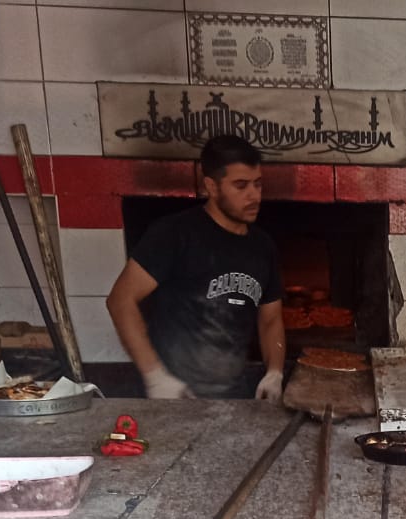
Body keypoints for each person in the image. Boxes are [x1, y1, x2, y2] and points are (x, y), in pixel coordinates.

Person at [106, 135, 286, 401]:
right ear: (212, 186)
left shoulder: (263, 246)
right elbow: (120, 300)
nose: (254, 195)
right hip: (176, 396)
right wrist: (155, 377)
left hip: (235, 395)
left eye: (257, 184)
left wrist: (275, 372)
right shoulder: (174, 234)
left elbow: (270, 319)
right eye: (240, 185)